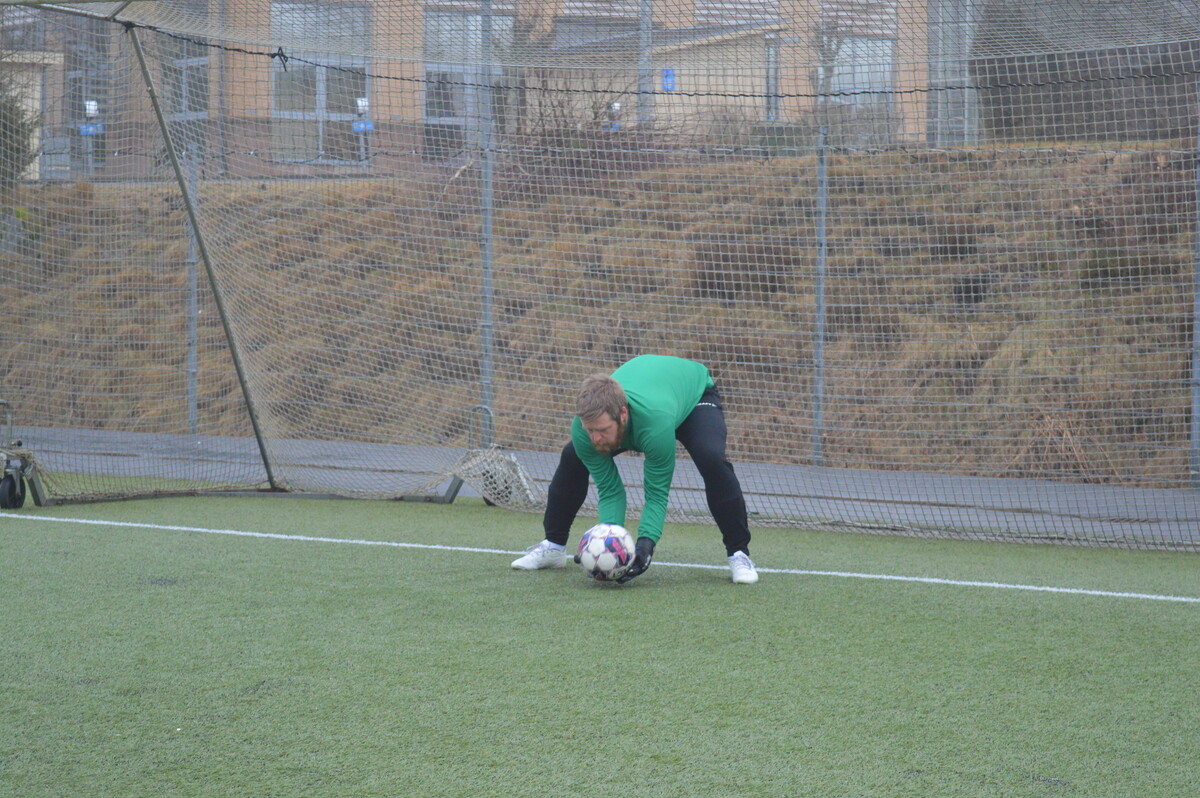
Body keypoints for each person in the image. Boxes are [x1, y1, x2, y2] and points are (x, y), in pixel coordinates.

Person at [511, 354, 758, 584]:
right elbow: (609, 490)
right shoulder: (583, 429)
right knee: (572, 454)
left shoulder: (654, 424)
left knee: (711, 457)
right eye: (590, 430)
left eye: (602, 430)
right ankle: (554, 547)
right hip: (656, 396)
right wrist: (607, 544)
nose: (595, 438)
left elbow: (656, 493)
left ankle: (739, 553)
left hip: (694, 396)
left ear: (623, 414)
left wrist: (645, 545)